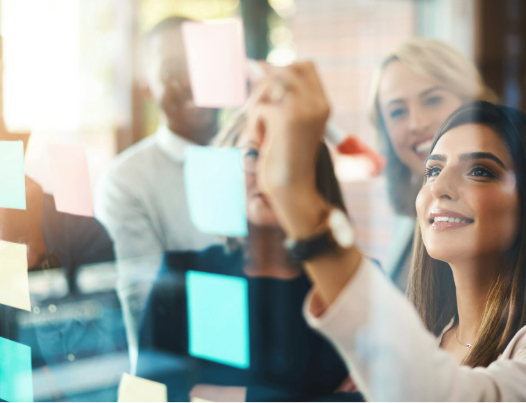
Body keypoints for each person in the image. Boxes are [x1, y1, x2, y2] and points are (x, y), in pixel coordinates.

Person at [248, 62, 526, 401]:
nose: (440, 186)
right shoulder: (431, 334)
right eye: (433, 170)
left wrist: (296, 195)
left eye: (480, 171)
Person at [137, 110, 359, 401]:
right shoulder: (185, 274)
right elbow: (149, 394)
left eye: (287, 154)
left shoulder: (352, 281)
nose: (268, 171)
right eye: (253, 154)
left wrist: (221, 396)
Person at [371, 38, 526, 304]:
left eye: (432, 100)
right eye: (397, 112)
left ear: (472, 102)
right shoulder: (413, 214)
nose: (416, 123)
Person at [95, 16, 221, 373]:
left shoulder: (257, 159)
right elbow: (149, 316)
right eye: (171, 70)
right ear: (146, 88)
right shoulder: (126, 181)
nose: (191, 79)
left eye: (202, 63)